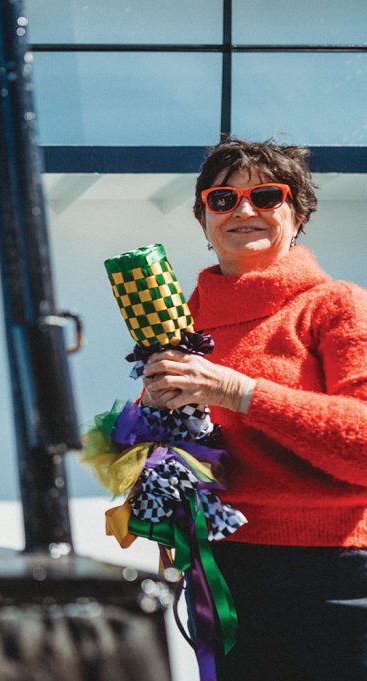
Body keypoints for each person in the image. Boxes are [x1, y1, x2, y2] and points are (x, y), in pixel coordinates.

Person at [142, 138, 367, 680]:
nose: (244, 210)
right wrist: (146, 418)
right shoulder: (179, 322)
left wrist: (241, 393)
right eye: (223, 199)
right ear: (203, 220)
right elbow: (155, 461)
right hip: (222, 575)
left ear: (298, 213)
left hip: (334, 576)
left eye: (267, 196)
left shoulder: (335, 305)